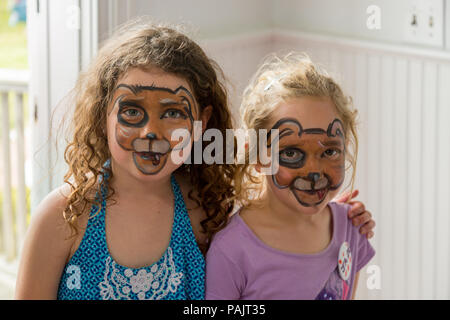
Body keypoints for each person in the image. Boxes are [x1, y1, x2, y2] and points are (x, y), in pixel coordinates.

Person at [15, 20, 375, 300]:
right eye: (131, 112)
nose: (150, 132)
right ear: (103, 114)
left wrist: (334, 215)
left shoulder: (204, 211)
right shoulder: (63, 217)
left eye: (172, 113)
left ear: (201, 124)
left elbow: (269, 228)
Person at [205, 52, 375, 300]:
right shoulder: (232, 250)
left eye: (329, 151)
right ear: (259, 156)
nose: (314, 171)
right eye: (292, 152)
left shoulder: (350, 228)